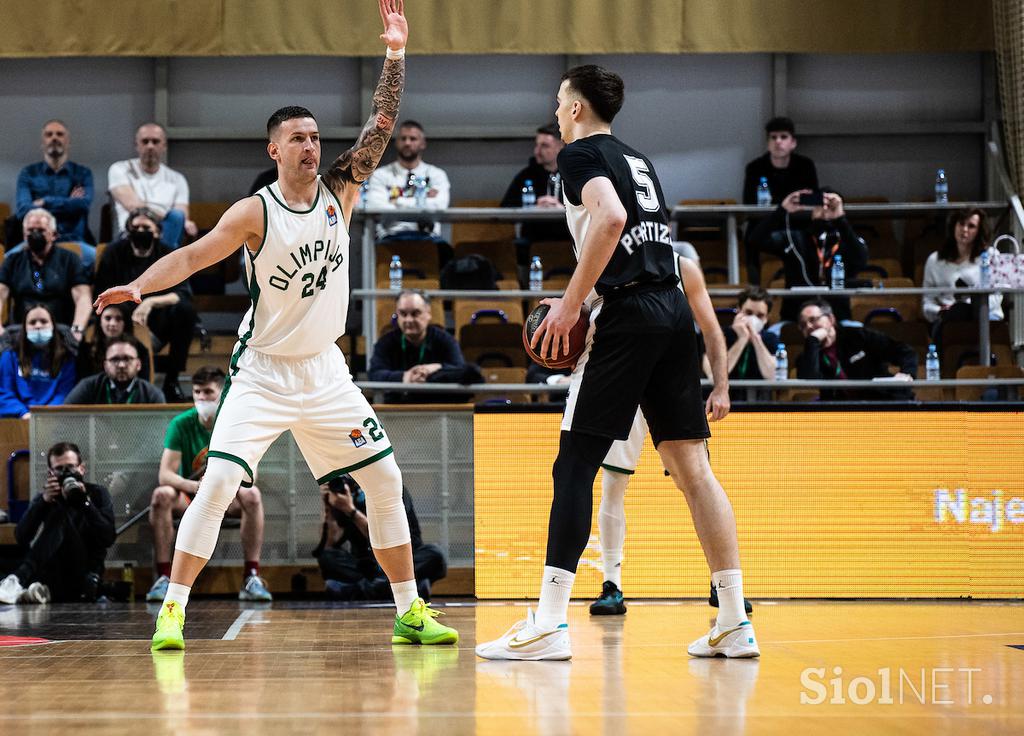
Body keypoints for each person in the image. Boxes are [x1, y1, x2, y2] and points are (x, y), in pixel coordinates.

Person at [95, 0, 457, 652]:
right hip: (262, 372)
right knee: (219, 483)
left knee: (384, 479)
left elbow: (381, 121)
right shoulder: (254, 212)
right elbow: (191, 256)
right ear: (275, 148)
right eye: (299, 137)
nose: (312, 145)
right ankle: (172, 610)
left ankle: (409, 610)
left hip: (324, 371)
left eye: (317, 136)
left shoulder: (343, 186)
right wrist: (140, 285)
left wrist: (395, 53)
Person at [475, 65, 758, 661]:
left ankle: (550, 623)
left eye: (559, 104)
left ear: (576, 109)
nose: (556, 113)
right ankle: (733, 619)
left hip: (627, 318)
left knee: (574, 463)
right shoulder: (639, 159)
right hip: (672, 310)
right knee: (693, 471)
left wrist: (569, 305)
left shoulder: (577, 156)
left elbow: (610, 220)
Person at [590, 258, 755, 618]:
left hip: (673, 385)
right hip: (627, 386)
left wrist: (722, 388)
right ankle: (611, 585)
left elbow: (712, 330)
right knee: (613, 483)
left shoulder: (684, 268)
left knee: (696, 481)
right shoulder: (606, 262)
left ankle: (723, 583)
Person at [146, 366, 271, 603]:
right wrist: (196, 487)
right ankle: (163, 577)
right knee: (161, 494)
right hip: (190, 495)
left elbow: (250, 471)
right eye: (197, 392)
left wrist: (219, 485)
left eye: (208, 392)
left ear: (222, 393)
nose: (202, 398)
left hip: (226, 496)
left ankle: (251, 576)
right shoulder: (181, 423)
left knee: (252, 495)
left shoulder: (236, 422)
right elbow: (166, 474)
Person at [94, 207, 199, 401]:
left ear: (157, 231)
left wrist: (149, 302)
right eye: (136, 227)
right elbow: (102, 293)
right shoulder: (113, 252)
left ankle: (172, 380)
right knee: (114, 311)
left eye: (146, 227)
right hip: (123, 319)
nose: (140, 231)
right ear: (128, 230)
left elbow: (183, 294)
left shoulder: (167, 253)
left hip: (158, 320)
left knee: (185, 310)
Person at [0, 442, 115, 604]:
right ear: (51, 473)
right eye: (59, 469)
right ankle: (27, 586)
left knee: (61, 515)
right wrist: (43, 502)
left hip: (84, 569)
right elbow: (21, 537)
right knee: (58, 513)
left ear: (81, 469)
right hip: (52, 568)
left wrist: (85, 503)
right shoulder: (47, 497)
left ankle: (18, 580)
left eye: (71, 467)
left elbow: (108, 538)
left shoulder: (97, 493)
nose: (66, 473)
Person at [314, 473, 446, 602]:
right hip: (367, 563)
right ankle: (407, 589)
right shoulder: (343, 497)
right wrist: (328, 508)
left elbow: (388, 536)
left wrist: (352, 512)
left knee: (435, 554)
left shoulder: (394, 489)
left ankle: (360, 590)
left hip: (400, 559)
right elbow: (330, 543)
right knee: (327, 557)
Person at [746, 189, 867, 323]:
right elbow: (755, 240)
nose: (825, 210)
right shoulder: (794, 238)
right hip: (794, 318)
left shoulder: (847, 241)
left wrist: (840, 219)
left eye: (831, 206)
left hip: (838, 318)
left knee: (857, 331)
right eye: (820, 205)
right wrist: (782, 210)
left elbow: (861, 259)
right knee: (774, 335)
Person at [742, 117, 819, 284]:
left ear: (793, 142)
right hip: (765, 226)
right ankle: (755, 291)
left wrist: (785, 203)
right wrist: (786, 203)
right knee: (751, 240)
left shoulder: (805, 165)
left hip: (798, 225)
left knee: (803, 240)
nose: (778, 142)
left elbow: (813, 198)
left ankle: (807, 290)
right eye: (773, 137)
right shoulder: (755, 167)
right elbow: (749, 202)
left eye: (783, 137)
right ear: (768, 142)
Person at [795, 298, 917, 401]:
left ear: (831, 319)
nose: (809, 326)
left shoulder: (858, 336)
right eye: (803, 325)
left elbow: (905, 352)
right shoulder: (807, 355)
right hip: (840, 413)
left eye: (813, 320)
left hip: (879, 402)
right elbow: (810, 379)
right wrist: (813, 341)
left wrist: (907, 373)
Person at [367, 289, 475, 402]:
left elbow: (464, 371)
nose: (408, 320)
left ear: (428, 313)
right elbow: (374, 374)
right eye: (403, 314)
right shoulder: (385, 342)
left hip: (439, 408)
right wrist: (405, 377)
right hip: (398, 410)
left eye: (415, 313)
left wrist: (436, 368)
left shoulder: (445, 340)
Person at [0, 208, 92, 339]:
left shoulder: (70, 260)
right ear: (24, 235)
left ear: (54, 234)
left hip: (61, 332)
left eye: (41, 230)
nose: (35, 234)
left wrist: (77, 330)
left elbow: (83, 297)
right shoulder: (13, 261)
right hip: (22, 332)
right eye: (30, 231)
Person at [13, 120, 95, 262]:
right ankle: (37, 284)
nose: (54, 138)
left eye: (60, 134)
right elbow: (23, 210)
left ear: (68, 141)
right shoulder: (28, 173)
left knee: (101, 259)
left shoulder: (82, 173)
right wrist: (70, 203)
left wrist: (44, 202)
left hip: (74, 241)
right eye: (49, 134)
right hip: (35, 243)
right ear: (42, 142)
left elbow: (84, 205)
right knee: (7, 262)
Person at [108, 123, 197, 247]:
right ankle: (163, 263)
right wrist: (165, 215)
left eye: (155, 142)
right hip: (131, 232)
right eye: (145, 141)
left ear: (164, 146)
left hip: (165, 233)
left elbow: (180, 216)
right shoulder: (119, 169)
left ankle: (162, 261)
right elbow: (135, 208)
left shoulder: (177, 179)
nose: (150, 146)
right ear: (136, 145)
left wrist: (178, 221)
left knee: (176, 218)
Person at [364, 120, 452, 244]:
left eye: (413, 139)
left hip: (429, 238)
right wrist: (421, 200)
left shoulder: (436, 175)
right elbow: (377, 207)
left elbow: (439, 207)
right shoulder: (381, 175)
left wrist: (396, 201)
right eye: (403, 138)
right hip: (390, 238)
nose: (407, 143)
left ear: (422, 143)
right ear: (396, 142)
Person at [922, 208, 1003, 339]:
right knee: (952, 319)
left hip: (984, 316)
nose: (964, 230)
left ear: (979, 231)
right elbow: (927, 303)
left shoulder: (991, 256)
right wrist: (939, 311)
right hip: (948, 318)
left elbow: (996, 298)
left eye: (971, 226)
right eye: (961, 224)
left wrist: (970, 305)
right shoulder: (935, 260)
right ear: (953, 226)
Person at [701, 286, 780, 402]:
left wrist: (755, 338)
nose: (753, 319)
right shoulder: (720, 336)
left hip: (760, 406)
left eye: (760, 316)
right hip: (723, 404)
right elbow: (713, 377)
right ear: (739, 311)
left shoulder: (771, 339)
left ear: (766, 318)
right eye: (748, 313)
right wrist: (742, 340)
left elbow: (773, 376)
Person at [0, 304, 77, 418]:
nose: (38, 326)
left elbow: (64, 394)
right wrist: (23, 413)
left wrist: (46, 415)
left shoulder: (66, 358)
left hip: (53, 420)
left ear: (53, 326)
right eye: (32, 322)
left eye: (44, 321)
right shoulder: (9, 356)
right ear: (24, 328)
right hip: (17, 420)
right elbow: (4, 393)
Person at [500, 123, 571, 246]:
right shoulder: (527, 175)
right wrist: (533, 208)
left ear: (560, 146)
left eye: (544, 146)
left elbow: (588, 211)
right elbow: (505, 208)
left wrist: (563, 209)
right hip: (534, 238)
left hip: (566, 239)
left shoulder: (573, 175)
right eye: (537, 145)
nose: (537, 151)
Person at [65, 337, 165, 404]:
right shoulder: (87, 387)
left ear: (138, 364)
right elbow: (64, 422)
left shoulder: (152, 394)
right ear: (105, 365)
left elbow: (160, 432)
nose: (121, 365)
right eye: (114, 359)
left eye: (127, 359)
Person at [76, 304, 151, 380]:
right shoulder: (87, 349)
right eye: (107, 318)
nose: (112, 324)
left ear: (125, 322)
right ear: (100, 322)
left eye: (118, 319)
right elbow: (82, 383)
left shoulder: (140, 350)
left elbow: (144, 385)